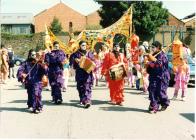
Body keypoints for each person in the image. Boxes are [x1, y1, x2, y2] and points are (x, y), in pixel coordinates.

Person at [146, 41, 170, 113]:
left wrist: (151, 60)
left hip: (162, 76)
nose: (152, 48)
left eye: (153, 47)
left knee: (161, 92)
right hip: (153, 75)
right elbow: (151, 65)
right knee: (152, 90)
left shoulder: (163, 55)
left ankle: (164, 103)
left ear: (158, 47)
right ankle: (154, 105)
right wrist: (148, 63)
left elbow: (160, 64)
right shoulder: (153, 54)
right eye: (151, 47)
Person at [69, 40, 94, 108]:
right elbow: (72, 63)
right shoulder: (75, 54)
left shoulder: (89, 53)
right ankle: (82, 99)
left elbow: (93, 60)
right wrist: (75, 60)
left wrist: (89, 61)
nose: (84, 46)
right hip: (80, 72)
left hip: (87, 72)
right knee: (80, 87)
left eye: (85, 45)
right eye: (83, 45)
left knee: (87, 86)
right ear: (79, 46)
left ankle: (87, 101)